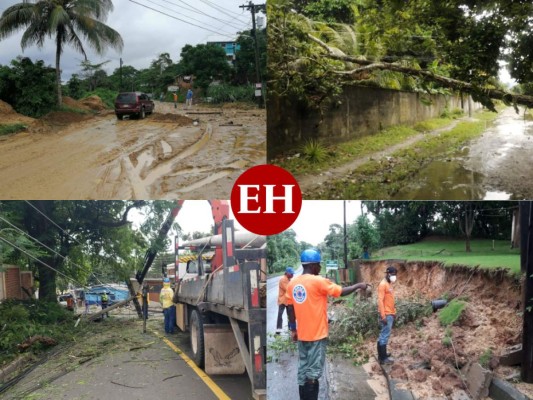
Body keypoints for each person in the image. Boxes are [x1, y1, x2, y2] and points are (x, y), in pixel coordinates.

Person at [287, 249, 371, 400]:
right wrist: (359, 285)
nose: (320, 268)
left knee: (303, 371)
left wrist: (293, 329)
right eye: (319, 265)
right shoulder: (319, 281)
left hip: (302, 335)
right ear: (313, 265)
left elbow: (290, 308)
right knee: (313, 375)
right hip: (317, 336)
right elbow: (341, 291)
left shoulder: (292, 283)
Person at [377, 266, 397, 365]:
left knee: (383, 334)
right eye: (393, 274)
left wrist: (394, 312)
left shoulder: (389, 284)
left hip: (390, 313)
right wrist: (383, 316)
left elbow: (391, 300)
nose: (394, 277)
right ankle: (383, 358)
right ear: (388, 274)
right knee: (384, 335)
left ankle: (381, 355)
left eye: (395, 275)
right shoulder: (383, 284)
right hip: (386, 314)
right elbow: (380, 301)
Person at [276, 266, 294, 334]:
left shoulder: (288, 279)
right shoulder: (283, 279)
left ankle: (290, 328)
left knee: (290, 315)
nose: (292, 275)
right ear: (287, 273)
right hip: (283, 301)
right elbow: (288, 289)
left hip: (288, 301)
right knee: (280, 315)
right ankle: (278, 330)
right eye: (291, 274)